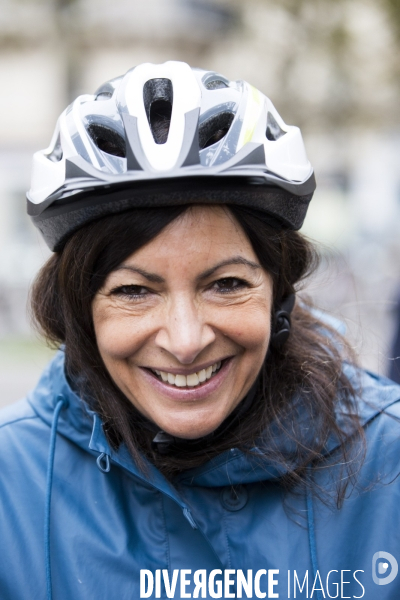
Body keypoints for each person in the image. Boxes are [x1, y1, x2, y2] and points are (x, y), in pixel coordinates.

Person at [1, 60, 399, 600]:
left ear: (279, 292)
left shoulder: (389, 459)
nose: (186, 341)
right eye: (133, 291)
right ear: (78, 310)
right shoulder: (11, 485)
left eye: (227, 284)